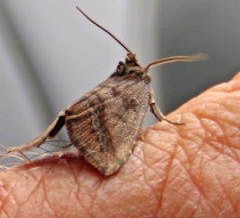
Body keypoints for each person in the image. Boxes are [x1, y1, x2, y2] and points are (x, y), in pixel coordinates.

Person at [1, 72, 240, 217]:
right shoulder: (137, 85)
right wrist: (164, 120)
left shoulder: (135, 84)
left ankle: (29, 146)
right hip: (108, 148)